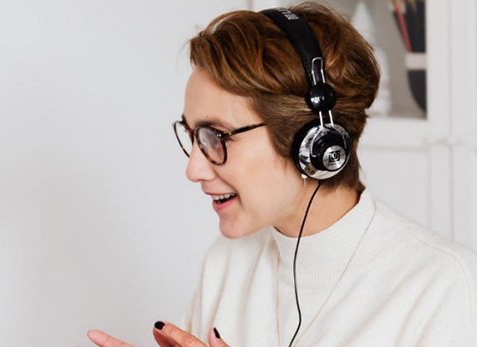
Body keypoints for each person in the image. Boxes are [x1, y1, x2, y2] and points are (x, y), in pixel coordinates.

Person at [83, 3, 477, 346]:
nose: (193, 169)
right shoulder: (228, 262)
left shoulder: (448, 288)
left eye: (216, 136)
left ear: (313, 142)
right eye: (192, 136)